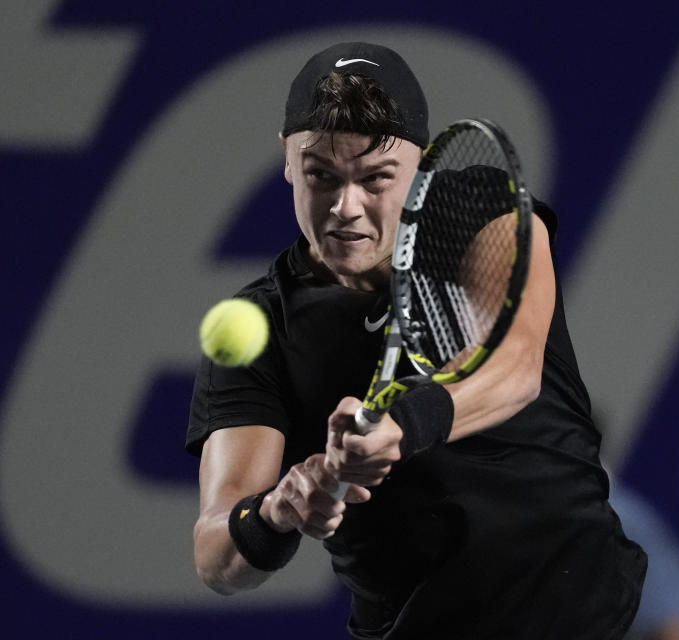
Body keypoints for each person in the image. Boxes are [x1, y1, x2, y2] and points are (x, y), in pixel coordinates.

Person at [187, 41, 646, 639]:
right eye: (320, 175)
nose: (345, 208)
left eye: (376, 178)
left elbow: (513, 368)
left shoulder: (485, 212)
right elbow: (216, 555)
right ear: (285, 157)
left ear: (423, 163)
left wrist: (400, 427)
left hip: (584, 614)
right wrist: (278, 511)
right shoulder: (262, 325)